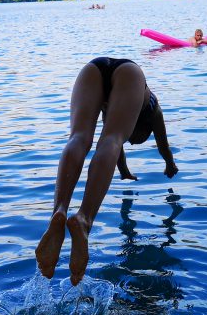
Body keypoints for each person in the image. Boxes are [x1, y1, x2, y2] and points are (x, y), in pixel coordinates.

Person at [35, 57, 177, 284]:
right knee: (112, 138)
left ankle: (58, 210)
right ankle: (84, 219)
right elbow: (162, 145)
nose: (131, 142)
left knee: (79, 137)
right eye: (135, 140)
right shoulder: (153, 110)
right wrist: (170, 164)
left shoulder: (119, 107)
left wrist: (124, 170)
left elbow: (116, 148)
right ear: (143, 129)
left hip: (93, 68)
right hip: (129, 72)